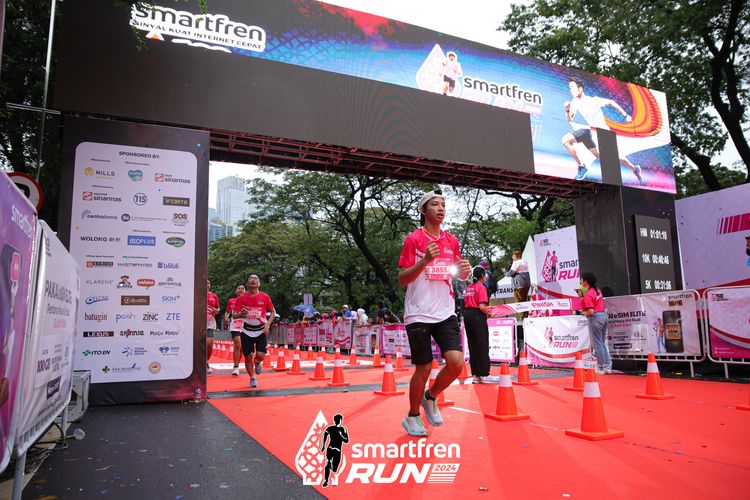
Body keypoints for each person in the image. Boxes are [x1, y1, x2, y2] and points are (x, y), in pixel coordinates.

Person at [398, 189, 472, 436]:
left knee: (456, 363)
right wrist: (423, 261)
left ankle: (430, 397)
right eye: (434, 205)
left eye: (443, 205)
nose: (440, 209)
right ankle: (412, 416)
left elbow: (458, 272)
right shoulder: (414, 240)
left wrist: (465, 271)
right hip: (418, 312)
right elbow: (402, 279)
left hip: (445, 311)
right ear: (423, 210)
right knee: (424, 367)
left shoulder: (451, 240)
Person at [562, 78, 644, 183]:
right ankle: (582, 166)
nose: (570, 90)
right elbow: (570, 119)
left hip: (604, 133)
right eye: (569, 88)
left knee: (612, 157)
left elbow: (612, 102)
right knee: (565, 140)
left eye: (572, 87)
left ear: (580, 89)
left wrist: (626, 115)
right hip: (590, 132)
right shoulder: (575, 102)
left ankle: (634, 168)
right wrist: (567, 110)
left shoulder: (594, 101)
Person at [234, 274, 276, 387]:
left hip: (261, 330)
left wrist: (268, 324)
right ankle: (252, 378)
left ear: (259, 283)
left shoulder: (265, 297)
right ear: (247, 283)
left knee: (260, 355)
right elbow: (234, 315)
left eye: (256, 279)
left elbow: (273, 312)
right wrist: (240, 314)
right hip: (246, 330)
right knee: (248, 357)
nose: (253, 280)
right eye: (251, 279)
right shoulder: (241, 298)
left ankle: (257, 362)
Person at [463, 267, 499, 383]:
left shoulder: (469, 287)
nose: (486, 277)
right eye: (485, 275)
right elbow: (482, 306)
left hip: (467, 315)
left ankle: (476, 375)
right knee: (482, 344)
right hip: (477, 316)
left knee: (473, 345)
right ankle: (484, 374)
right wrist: (490, 314)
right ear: (482, 276)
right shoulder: (481, 288)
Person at [580, 272, 611, 374]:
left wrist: (580, 313)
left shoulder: (589, 294)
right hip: (603, 316)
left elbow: (590, 312)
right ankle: (607, 367)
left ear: (586, 282)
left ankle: (601, 368)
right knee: (601, 343)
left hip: (596, 318)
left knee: (598, 344)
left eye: (582, 280)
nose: (581, 282)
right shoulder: (597, 290)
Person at [319, 413, 349, 488]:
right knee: (331, 465)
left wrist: (323, 445)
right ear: (340, 420)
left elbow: (324, 435)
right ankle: (326, 480)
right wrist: (342, 435)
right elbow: (346, 440)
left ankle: (327, 474)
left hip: (332, 449)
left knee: (332, 467)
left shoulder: (335, 428)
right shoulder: (339, 429)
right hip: (335, 450)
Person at [223, 284, 246, 376]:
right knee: (237, 344)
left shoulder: (248, 300)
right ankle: (236, 367)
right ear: (236, 291)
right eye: (238, 288)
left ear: (245, 291)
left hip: (245, 326)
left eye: (242, 288)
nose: (240, 289)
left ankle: (237, 364)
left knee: (242, 347)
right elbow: (227, 311)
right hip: (235, 325)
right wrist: (226, 317)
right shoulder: (231, 301)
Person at [503, 250, 531, 319]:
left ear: (517, 256)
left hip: (518, 286)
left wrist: (505, 271)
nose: (512, 257)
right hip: (526, 285)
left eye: (513, 256)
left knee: (519, 303)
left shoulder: (516, 263)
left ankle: (523, 318)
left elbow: (511, 273)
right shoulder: (525, 262)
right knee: (525, 301)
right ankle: (526, 317)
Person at [206, 280, 220, 375]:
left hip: (210, 322)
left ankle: (206, 361)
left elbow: (218, 309)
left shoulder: (214, 296)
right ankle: (199, 363)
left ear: (210, 285)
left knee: (209, 344)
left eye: (208, 283)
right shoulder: (196, 294)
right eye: (204, 282)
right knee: (198, 345)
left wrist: (216, 310)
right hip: (198, 322)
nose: (206, 284)